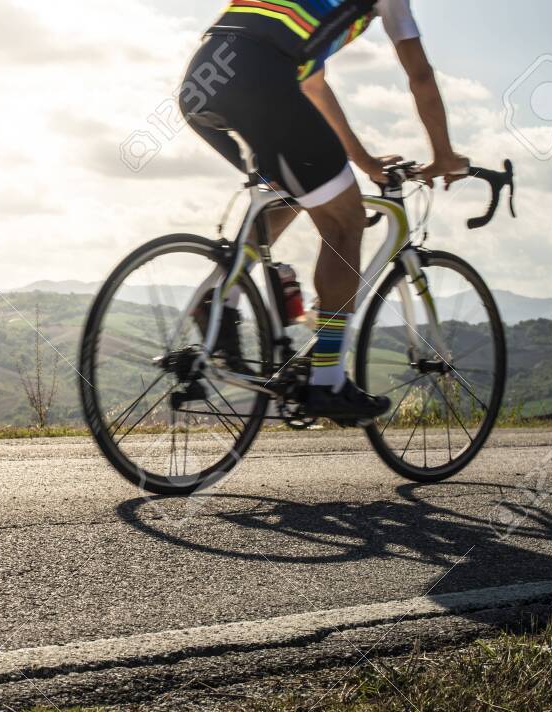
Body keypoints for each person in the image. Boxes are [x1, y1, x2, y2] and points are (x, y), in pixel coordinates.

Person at [179, 0, 469, 421]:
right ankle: (327, 380)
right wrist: (443, 155)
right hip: (262, 80)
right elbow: (420, 76)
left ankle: (220, 299)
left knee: (294, 191)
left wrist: (365, 163)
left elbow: (313, 86)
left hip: (204, 79)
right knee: (345, 223)